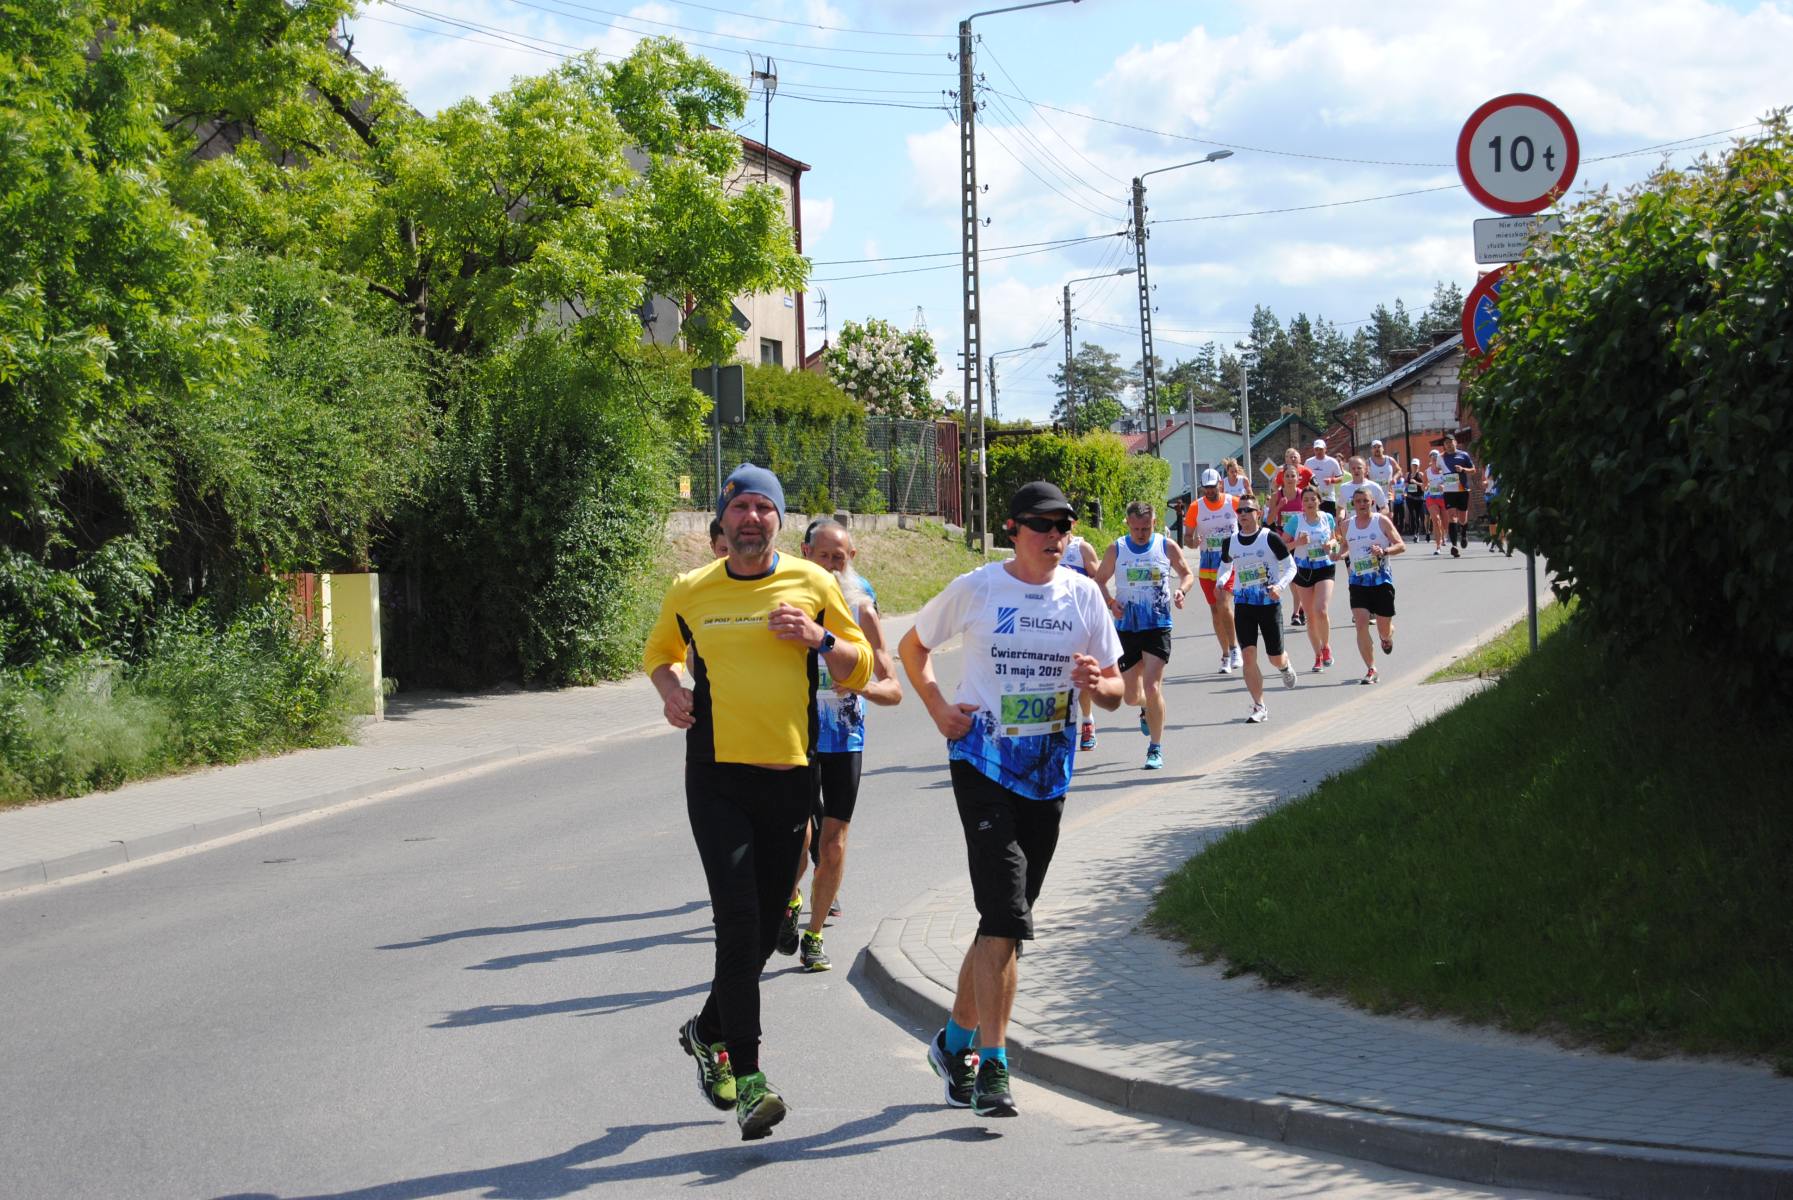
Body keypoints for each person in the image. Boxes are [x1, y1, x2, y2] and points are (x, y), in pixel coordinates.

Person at [645, 463, 873, 1141]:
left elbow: (861, 666)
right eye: (740, 506)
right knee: (738, 926)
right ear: (723, 519)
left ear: (779, 519)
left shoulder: (814, 583)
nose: (751, 518)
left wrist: (819, 638)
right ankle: (749, 1080)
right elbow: (659, 654)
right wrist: (672, 691)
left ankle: (704, 1031)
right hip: (717, 779)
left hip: (792, 779)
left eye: (763, 508)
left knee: (767, 932)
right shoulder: (692, 589)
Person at [898, 481, 1123, 1119]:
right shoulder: (978, 588)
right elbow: (912, 647)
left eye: (1065, 525)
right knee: (1004, 913)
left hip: (1049, 774)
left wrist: (1096, 684)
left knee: (1007, 919)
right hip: (983, 764)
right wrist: (938, 707)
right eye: (1042, 524)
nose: (1056, 535)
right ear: (1013, 529)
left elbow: (1118, 692)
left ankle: (953, 1042)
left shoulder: (1082, 594)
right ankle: (993, 1065)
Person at [780, 519, 903, 974]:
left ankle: (814, 935)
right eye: (824, 556)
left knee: (833, 841)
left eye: (841, 557)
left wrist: (861, 685)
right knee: (798, 836)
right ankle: (790, 899)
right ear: (805, 554)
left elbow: (893, 688)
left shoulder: (861, 609)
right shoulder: (786, 602)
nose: (833, 565)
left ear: (852, 558)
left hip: (845, 736)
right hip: (795, 732)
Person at [1095, 500, 1194, 770]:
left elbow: (1187, 574)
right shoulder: (1117, 549)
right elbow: (1099, 581)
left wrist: (1181, 591)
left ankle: (1155, 748)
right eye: (1136, 528)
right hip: (1127, 628)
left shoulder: (1165, 546)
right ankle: (1146, 708)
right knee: (1130, 696)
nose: (1141, 533)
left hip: (1157, 626)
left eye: (1146, 528)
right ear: (1128, 524)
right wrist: (1111, 603)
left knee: (1152, 687)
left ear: (1154, 523)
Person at [1220, 496, 1299, 723]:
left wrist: (1279, 586)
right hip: (1244, 604)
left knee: (1275, 658)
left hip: (1268, 604)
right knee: (1248, 655)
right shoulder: (1230, 542)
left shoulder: (1269, 538)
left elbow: (1290, 567)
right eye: (1240, 511)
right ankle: (1259, 705)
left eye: (1248, 510)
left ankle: (1285, 666)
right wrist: (1221, 581)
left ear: (1258, 513)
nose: (1243, 514)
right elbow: (1225, 566)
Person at [1336, 484, 1406, 685]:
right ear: (1353, 504)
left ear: (1372, 503)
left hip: (1381, 580)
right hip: (1358, 581)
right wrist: (1338, 554)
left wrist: (1384, 551)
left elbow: (1401, 545)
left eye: (1365, 501)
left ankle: (1386, 637)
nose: (1362, 504)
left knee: (1383, 629)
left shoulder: (1381, 521)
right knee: (1361, 624)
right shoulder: (1346, 525)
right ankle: (1371, 668)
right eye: (1358, 501)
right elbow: (1345, 546)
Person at [1059, 505, 1115, 751]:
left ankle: (1087, 721)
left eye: (1066, 521)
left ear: (1074, 523)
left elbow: (1098, 580)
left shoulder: (1082, 548)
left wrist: (1103, 608)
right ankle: (1059, 728)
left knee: (1080, 675)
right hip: (1052, 623)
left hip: (1079, 621)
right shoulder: (1043, 548)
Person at [1182, 469, 1241, 674]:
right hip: (1207, 563)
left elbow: (1250, 524)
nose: (1209, 491)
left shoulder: (1233, 502)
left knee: (1224, 603)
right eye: (1206, 488)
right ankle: (1225, 655)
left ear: (1220, 485)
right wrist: (1192, 542)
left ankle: (1234, 648)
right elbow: (1187, 538)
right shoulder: (1195, 507)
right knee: (1215, 610)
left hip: (1228, 561)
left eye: (1212, 487)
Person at [1288, 485, 1338, 672]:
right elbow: (1282, 546)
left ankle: (1326, 647)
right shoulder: (1296, 521)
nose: (1309, 502)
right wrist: (1297, 543)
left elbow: (1335, 539)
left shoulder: (1327, 518)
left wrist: (1330, 544)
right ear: (1302, 503)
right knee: (1310, 616)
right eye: (1306, 500)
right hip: (1303, 570)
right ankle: (1317, 656)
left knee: (1321, 610)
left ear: (1319, 501)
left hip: (1324, 567)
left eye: (1313, 499)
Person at [1270, 466, 1309, 626]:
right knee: (1293, 577)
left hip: (1301, 540)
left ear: (1298, 478)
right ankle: (1297, 611)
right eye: (1287, 476)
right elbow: (1269, 520)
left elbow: (1310, 515)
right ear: (1282, 478)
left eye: (1293, 476)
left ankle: (1299, 610)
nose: (1290, 479)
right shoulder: (1276, 495)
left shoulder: (1303, 495)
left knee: (1299, 576)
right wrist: (1279, 506)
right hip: (1284, 541)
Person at [1440, 433, 1477, 558]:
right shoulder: (1441, 457)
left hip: (1462, 490)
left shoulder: (1463, 455)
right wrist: (1440, 483)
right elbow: (1437, 472)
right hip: (1448, 491)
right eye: (1446, 443)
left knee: (1462, 519)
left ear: (1455, 442)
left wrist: (1463, 469)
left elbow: (1473, 470)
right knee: (1452, 517)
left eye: (1450, 442)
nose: (1448, 445)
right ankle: (1454, 546)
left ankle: (1464, 534)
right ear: (1444, 445)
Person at [1304, 438, 1347, 517]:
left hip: (1328, 497)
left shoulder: (1332, 461)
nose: (1318, 451)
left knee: (1329, 520)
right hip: (1313, 498)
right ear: (1313, 450)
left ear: (1325, 449)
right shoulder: (1308, 462)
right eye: (1316, 449)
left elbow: (1340, 478)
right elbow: (1305, 478)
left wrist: (1331, 480)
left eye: (1321, 449)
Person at [1424, 450, 1448, 554]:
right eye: (1432, 456)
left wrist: (1444, 486)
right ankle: (1438, 546)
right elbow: (1424, 486)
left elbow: (1452, 482)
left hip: (1444, 498)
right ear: (1430, 458)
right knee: (1436, 519)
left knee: (1445, 522)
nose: (1434, 457)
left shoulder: (1445, 470)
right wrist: (1426, 486)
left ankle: (1444, 535)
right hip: (1431, 498)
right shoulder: (1427, 472)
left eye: (1436, 456)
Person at [1403, 459, 1426, 538]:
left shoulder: (1420, 474)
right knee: (1412, 515)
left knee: (1418, 515)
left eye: (1416, 465)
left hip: (1419, 498)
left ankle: (1418, 531)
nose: (1414, 467)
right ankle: (1414, 533)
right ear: (1411, 466)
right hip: (1410, 498)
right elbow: (1405, 483)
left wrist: (1416, 482)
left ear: (1418, 466)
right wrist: (1406, 484)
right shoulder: (1407, 474)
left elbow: (1425, 485)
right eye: (1413, 465)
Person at [1482, 465, 1503, 551]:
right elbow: (1486, 479)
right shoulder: (1488, 465)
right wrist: (1484, 483)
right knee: (1492, 520)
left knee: (1502, 519)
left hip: (1502, 496)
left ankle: (1501, 542)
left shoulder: (1504, 463)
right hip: (1490, 496)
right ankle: (1494, 542)